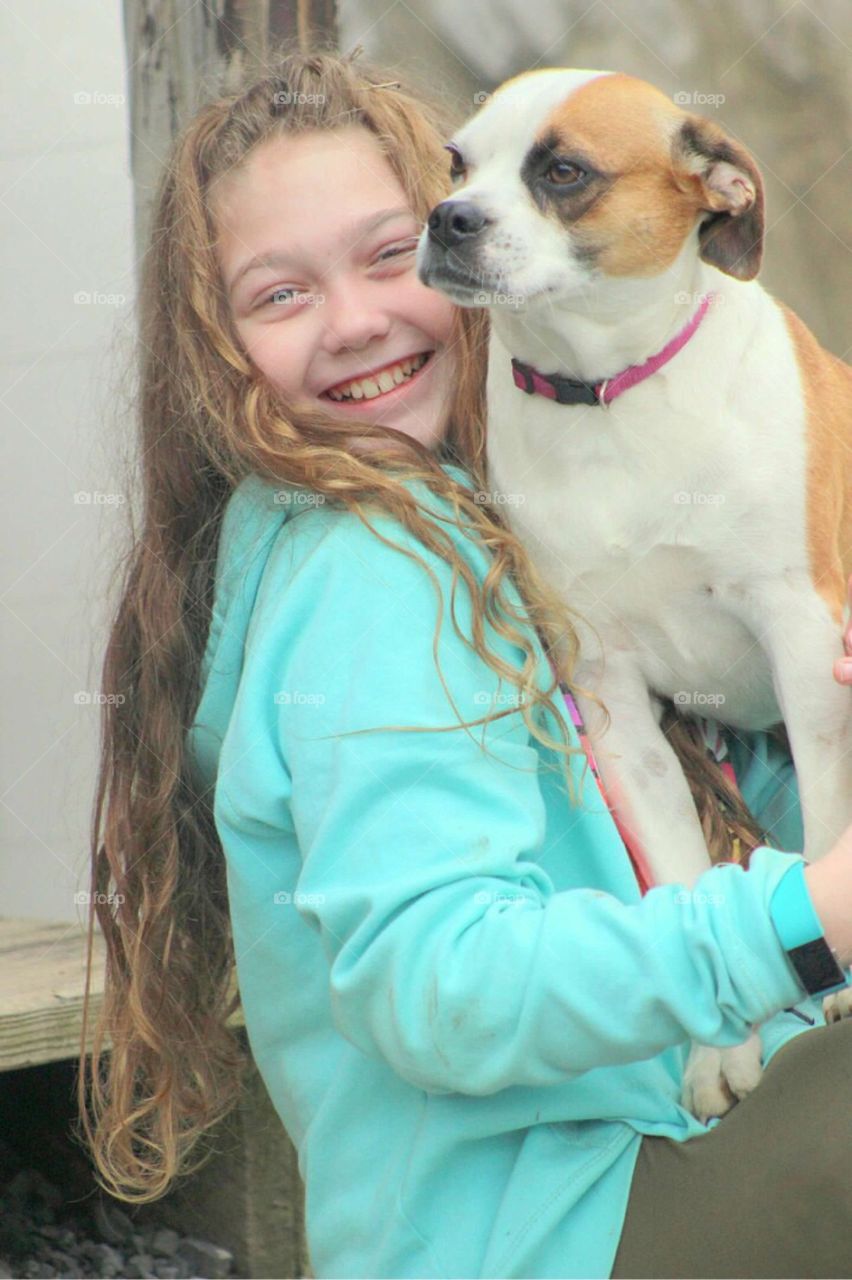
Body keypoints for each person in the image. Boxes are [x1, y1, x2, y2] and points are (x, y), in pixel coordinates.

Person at [76, 44, 852, 1280]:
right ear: (216, 346)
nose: (358, 319)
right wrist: (803, 923)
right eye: (279, 295)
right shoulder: (373, 572)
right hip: (549, 1223)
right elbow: (441, 986)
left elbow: (618, 818)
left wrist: (773, 784)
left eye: (391, 255)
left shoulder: (483, 500)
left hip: (631, 1144)